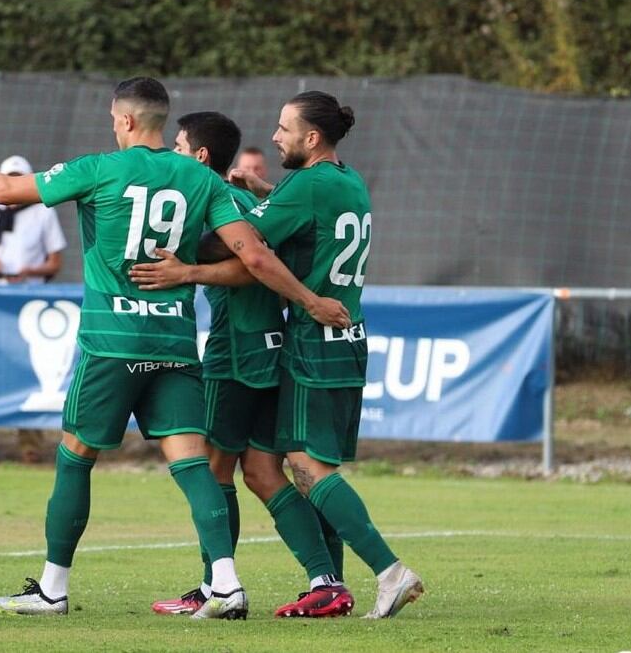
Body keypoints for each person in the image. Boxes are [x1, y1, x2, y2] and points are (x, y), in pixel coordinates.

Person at [0, 76, 350, 620]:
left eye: (112, 118)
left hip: (112, 340)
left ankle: (53, 589)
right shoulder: (201, 178)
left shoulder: (99, 168)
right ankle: (225, 583)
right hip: (174, 342)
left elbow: (2, 191)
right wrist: (308, 299)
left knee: (75, 458)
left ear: (124, 120)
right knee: (194, 464)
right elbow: (254, 255)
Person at [135, 92, 422, 620]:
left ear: (312, 138)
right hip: (333, 338)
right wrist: (261, 193)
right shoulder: (346, 180)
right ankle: (328, 584)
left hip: (288, 345)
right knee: (275, 469)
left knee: (287, 467)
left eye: (284, 127)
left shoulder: (266, 195)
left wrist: (186, 264)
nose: (274, 136)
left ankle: (377, 571)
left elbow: (248, 254)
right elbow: (296, 221)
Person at [144, 110, 351, 620]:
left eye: (177, 145)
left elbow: (253, 264)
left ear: (200, 156)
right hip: (273, 346)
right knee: (261, 470)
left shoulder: (211, 202)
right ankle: (324, 580)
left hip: (236, 352)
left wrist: (186, 272)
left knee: (214, 468)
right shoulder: (242, 201)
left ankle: (219, 586)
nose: (171, 152)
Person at [0, 155, 67, 464]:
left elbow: (55, 262)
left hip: (25, 302)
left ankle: (30, 444)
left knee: (28, 370)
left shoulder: (42, 213)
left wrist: (29, 272)